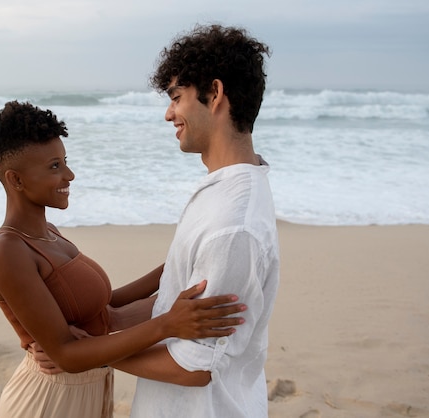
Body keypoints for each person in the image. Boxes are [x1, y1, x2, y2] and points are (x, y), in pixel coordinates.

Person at [0, 100, 248, 418]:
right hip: (47, 400)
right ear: (16, 180)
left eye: (65, 161)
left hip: (90, 389)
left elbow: (105, 309)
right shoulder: (7, 251)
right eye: (54, 166)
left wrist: (179, 262)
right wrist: (167, 324)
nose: (70, 174)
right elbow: (66, 353)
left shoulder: (49, 233)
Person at [114, 24, 280, 417]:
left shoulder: (233, 223)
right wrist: (107, 321)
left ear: (216, 94)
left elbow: (194, 367)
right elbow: (180, 300)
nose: (169, 113)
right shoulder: (224, 190)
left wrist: (87, 355)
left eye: (177, 97)